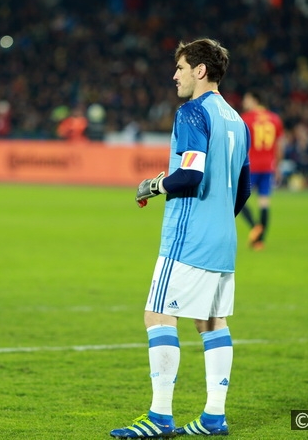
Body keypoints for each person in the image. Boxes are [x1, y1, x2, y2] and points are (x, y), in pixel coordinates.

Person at [111, 38, 251, 438]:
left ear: (200, 71)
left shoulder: (192, 112)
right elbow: (243, 190)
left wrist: (152, 186)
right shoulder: (237, 121)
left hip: (188, 238)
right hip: (223, 241)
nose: (175, 75)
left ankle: (159, 416)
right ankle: (213, 417)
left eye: (181, 68)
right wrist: (219, 220)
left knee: (157, 313)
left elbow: (190, 176)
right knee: (210, 321)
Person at [239, 90, 284, 250]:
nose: (244, 102)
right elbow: (279, 146)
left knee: (238, 198)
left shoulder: (246, 119)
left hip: (251, 166)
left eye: (246, 99)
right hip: (268, 167)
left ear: (254, 100)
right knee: (264, 202)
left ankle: (254, 227)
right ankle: (259, 241)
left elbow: (241, 145)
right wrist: (277, 166)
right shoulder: (275, 119)